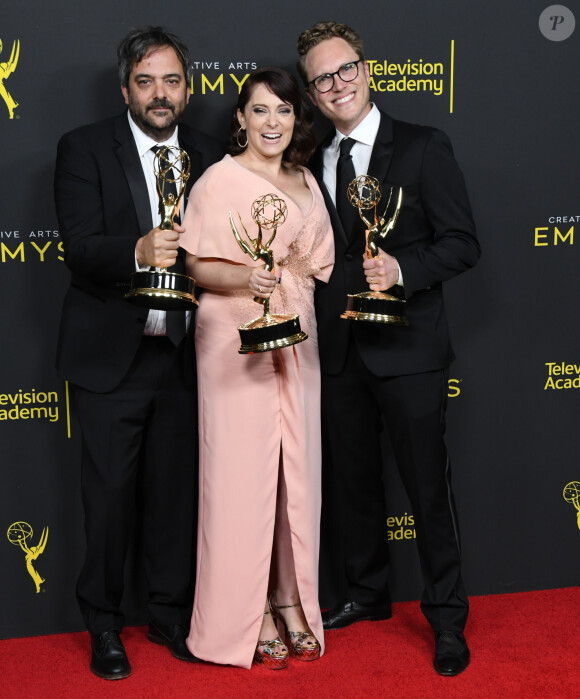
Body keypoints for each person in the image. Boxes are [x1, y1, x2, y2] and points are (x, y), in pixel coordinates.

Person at [296, 21, 480, 676]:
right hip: (339, 347)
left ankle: (448, 618)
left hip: (409, 350)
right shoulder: (310, 160)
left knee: (427, 489)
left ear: (367, 69)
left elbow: (463, 243)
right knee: (353, 487)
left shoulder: (425, 146)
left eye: (345, 69)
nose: (337, 84)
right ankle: (367, 594)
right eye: (322, 77)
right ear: (313, 93)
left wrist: (401, 269)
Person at [54, 26, 222, 680]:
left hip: (186, 357)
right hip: (111, 357)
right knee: (110, 499)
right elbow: (77, 245)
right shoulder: (84, 149)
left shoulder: (212, 154)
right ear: (125, 87)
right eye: (146, 80)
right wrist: (136, 248)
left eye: (172, 80)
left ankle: (169, 612)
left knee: (177, 495)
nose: (160, 93)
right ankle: (103, 622)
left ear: (189, 88)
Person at [179, 67, 334, 669]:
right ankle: (246, 616)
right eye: (260, 111)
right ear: (239, 118)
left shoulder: (305, 179)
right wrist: (247, 277)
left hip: (299, 331)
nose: (273, 122)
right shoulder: (218, 180)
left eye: (285, 111)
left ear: (298, 119)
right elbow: (195, 265)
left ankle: (291, 600)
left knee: (296, 475)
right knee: (240, 479)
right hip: (233, 335)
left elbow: (315, 261)